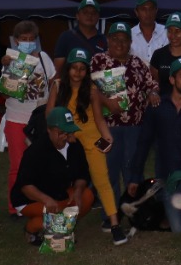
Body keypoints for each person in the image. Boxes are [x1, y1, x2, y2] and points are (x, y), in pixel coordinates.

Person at [46, 47, 132, 245]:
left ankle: (115, 225)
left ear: (87, 71)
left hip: (91, 138)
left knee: (102, 180)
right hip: (66, 138)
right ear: (67, 69)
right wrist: (62, 136)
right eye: (74, 68)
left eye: (82, 68)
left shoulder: (92, 89)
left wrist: (107, 136)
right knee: (62, 182)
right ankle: (61, 228)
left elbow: (99, 119)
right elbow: (49, 116)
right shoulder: (58, 87)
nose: (77, 72)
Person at [130, 57, 181, 237]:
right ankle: (178, 208)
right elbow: (143, 143)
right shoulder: (157, 107)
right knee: (178, 229)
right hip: (168, 174)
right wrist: (135, 177)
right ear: (171, 80)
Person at [91, 22, 158, 207]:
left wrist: (152, 93)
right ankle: (110, 214)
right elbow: (87, 88)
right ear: (108, 40)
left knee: (133, 170)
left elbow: (152, 84)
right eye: (115, 39)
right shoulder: (98, 61)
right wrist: (107, 102)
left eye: (124, 40)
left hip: (134, 127)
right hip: (106, 128)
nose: (119, 44)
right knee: (108, 171)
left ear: (130, 42)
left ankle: (134, 209)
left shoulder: (137, 63)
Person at [13, 107, 95, 245]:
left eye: (69, 132)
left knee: (87, 197)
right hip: (30, 199)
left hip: (58, 195)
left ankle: (56, 227)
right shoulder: (36, 151)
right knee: (57, 211)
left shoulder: (75, 145)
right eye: (61, 132)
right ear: (49, 130)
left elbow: (83, 174)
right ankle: (33, 227)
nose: (66, 136)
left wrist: (78, 190)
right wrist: (46, 200)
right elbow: (25, 186)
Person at [0, 19, 55, 214]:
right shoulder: (10, 60)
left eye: (32, 38)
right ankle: (14, 206)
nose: (28, 42)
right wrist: (13, 71)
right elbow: (6, 93)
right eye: (24, 39)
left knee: (41, 164)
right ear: (16, 41)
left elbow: (54, 83)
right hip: (16, 118)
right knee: (18, 165)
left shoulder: (43, 58)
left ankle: (37, 203)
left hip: (40, 119)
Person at [52, 0, 108, 71]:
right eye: (85, 12)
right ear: (77, 16)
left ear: (98, 17)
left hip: (96, 82)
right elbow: (58, 68)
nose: (89, 15)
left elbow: (108, 68)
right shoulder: (66, 37)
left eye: (93, 13)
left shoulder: (104, 40)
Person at [130, 0, 168, 65]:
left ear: (156, 10)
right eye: (143, 9)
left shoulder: (166, 32)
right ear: (136, 12)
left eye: (151, 9)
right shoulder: (129, 35)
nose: (148, 13)